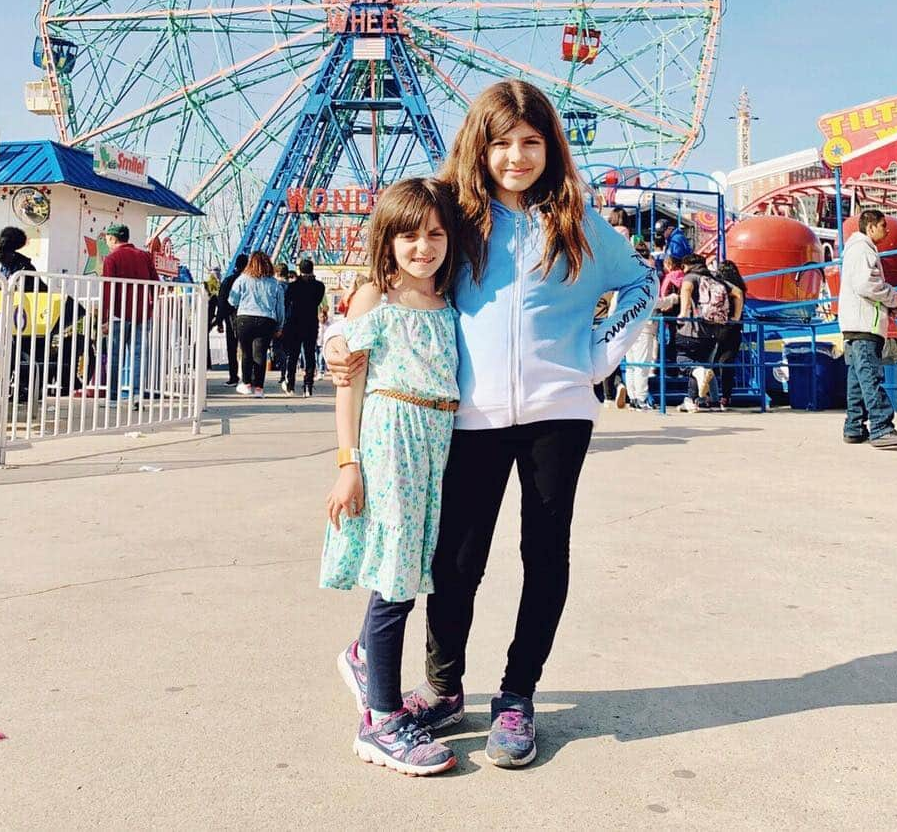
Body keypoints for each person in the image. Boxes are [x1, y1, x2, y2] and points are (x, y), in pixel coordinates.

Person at [327, 79, 656, 769]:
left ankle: (517, 694)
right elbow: (393, 254)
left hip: (557, 416)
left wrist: (599, 355)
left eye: (531, 141)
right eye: (502, 141)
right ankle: (444, 687)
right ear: (480, 144)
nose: (516, 156)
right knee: (455, 560)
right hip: (467, 416)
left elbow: (642, 283)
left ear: (550, 146)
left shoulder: (579, 224)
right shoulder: (455, 215)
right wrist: (343, 332)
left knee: (545, 555)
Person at [321, 177, 462, 776]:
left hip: (438, 442)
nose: (423, 246)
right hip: (391, 441)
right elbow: (347, 380)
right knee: (396, 574)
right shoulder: (376, 298)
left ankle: (362, 657)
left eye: (435, 233)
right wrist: (347, 464)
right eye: (409, 234)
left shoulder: (451, 300)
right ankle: (380, 720)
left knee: (412, 563)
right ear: (388, 238)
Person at [840, 209, 897, 447]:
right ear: (870, 227)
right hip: (865, 324)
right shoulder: (863, 250)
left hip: (854, 323)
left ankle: (854, 426)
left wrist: (888, 305)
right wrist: (894, 297)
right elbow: (866, 284)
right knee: (870, 377)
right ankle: (882, 427)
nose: (887, 229)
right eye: (883, 225)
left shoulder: (854, 250)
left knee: (857, 379)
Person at [100, 223, 160, 400]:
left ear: (112, 238)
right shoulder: (144, 256)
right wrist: (150, 308)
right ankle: (136, 394)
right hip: (141, 314)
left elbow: (108, 288)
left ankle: (112, 396)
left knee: (115, 355)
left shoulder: (112, 259)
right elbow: (155, 283)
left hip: (118, 314)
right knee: (138, 355)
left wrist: (104, 317)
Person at [676, 253, 740, 412]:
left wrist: (683, 312)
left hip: (692, 330)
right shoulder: (716, 278)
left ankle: (696, 377)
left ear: (686, 265)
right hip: (714, 331)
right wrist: (735, 317)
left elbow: (686, 288)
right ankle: (691, 400)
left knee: (682, 358)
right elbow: (738, 292)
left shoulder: (691, 277)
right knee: (701, 364)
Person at [623, 240, 678, 410]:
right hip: (644, 326)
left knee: (632, 364)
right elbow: (651, 302)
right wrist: (672, 299)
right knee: (642, 364)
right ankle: (641, 398)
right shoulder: (646, 276)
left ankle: (632, 398)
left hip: (627, 325)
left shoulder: (626, 277)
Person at [229, 251, 285, 398]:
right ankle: (259, 388)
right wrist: (279, 326)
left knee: (246, 353)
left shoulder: (242, 279)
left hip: (245, 318)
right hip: (266, 320)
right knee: (260, 355)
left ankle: (246, 384)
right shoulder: (275, 283)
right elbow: (280, 307)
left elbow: (232, 300)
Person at [281, 257, 326, 397]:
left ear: (300, 270)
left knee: (293, 356)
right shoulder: (319, 286)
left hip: (294, 324)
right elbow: (317, 301)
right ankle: (308, 387)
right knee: (309, 355)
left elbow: (286, 302)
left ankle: (290, 386)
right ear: (312, 269)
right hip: (311, 324)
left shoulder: (293, 286)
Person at [712, 260, 747, 406]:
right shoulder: (740, 286)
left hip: (720, 326)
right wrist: (737, 318)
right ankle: (726, 396)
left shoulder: (723, 286)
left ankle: (712, 395)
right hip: (734, 329)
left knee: (713, 362)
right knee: (726, 363)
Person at [218, 255, 247, 386]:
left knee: (232, 348)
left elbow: (222, 302)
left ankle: (233, 376)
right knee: (247, 348)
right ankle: (248, 377)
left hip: (231, 317)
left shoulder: (228, 280)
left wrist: (219, 320)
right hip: (247, 316)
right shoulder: (250, 281)